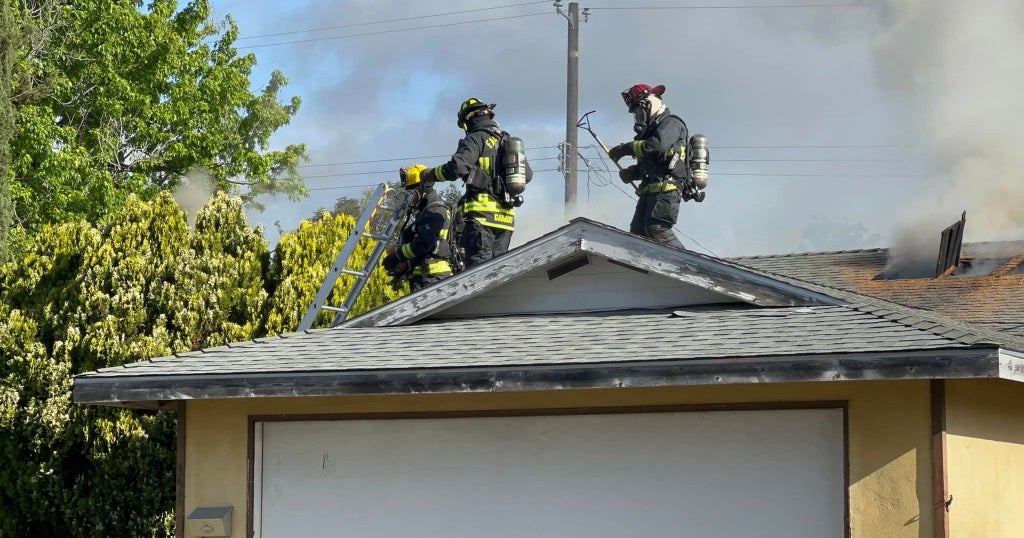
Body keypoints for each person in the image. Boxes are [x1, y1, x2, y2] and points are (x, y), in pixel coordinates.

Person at [418, 98, 532, 268]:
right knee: (498, 273)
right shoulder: (507, 141)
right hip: (506, 221)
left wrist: (430, 174)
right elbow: (527, 175)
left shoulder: (476, 138)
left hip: (481, 219)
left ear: (468, 121)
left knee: (478, 273)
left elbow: (457, 168)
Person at [607, 83, 687, 249]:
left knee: (657, 229)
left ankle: (690, 268)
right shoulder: (652, 132)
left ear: (648, 105)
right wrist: (632, 172)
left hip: (667, 190)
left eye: (638, 111)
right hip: (649, 191)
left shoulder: (671, 123)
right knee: (637, 235)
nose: (637, 116)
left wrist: (625, 148)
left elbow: (657, 147)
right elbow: (650, 165)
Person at [381, 165, 454, 291]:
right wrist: (406, 265)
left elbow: (424, 244)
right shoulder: (425, 211)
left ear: (424, 187)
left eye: (411, 190)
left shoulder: (434, 211)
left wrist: (398, 256)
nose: (409, 196)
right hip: (426, 278)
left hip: (432, 279)